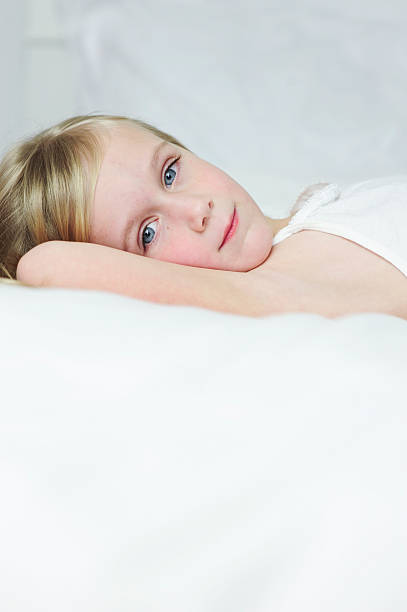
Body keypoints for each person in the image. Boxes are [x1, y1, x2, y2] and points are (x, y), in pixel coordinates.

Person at [1, 114, 406, 319]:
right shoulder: (268, 289)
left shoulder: (313, 217)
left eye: (170, 173)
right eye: (148, 233)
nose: (197, 209)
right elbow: (46, 265)